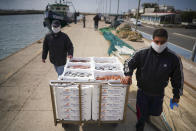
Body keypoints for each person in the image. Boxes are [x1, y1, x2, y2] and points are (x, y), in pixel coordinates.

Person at [121, 28, 184, 131]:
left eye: (162, 42)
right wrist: (128, 75)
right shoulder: (142, 53)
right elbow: (128, 62)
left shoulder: (173, 58)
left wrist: (176, 94)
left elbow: (178, 78)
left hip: (158, 93)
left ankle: (148, 117)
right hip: (142, 92)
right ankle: (140, 127)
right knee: (141, 115)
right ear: (152, 40)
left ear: (167, 41)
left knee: (156, 112)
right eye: (157, 41)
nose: (159, 45)